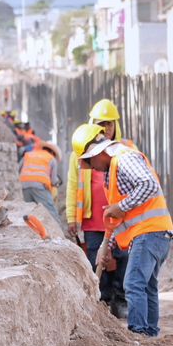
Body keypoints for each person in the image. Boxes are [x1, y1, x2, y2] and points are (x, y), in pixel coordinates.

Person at [79, 133, 173, 338]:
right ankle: (149, 334)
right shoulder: (111, 173)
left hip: (150, 232)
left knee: (133, 283)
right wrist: (108, 247)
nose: (91, 167)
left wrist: (121, 206)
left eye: (90, 160)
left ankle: (138, 333)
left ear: (101, 152)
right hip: (152, 233)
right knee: (147, 286)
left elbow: (148, 185)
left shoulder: (124, 158)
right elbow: (119, 219)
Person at [65, 122, 127, 319]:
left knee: (121, 258)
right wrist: (71, 216)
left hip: (118, 218)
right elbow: (73, 186)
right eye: (101, 125)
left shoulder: (120, 155)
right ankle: (103, 300)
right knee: (96, 258)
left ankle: (120, 299)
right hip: (93, 220)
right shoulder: (82, 155)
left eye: (108, 125)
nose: (106, 129)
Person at [18, 139, 62, 221]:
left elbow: (19, 169)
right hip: (40, 186)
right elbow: (53, 180)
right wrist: (56, 183)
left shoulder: (28, 154)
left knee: (30, 211)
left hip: (25, 185)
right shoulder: (51, 158)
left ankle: (32, 231)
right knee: (50, 210)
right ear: (53, 152)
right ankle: (59, 231)